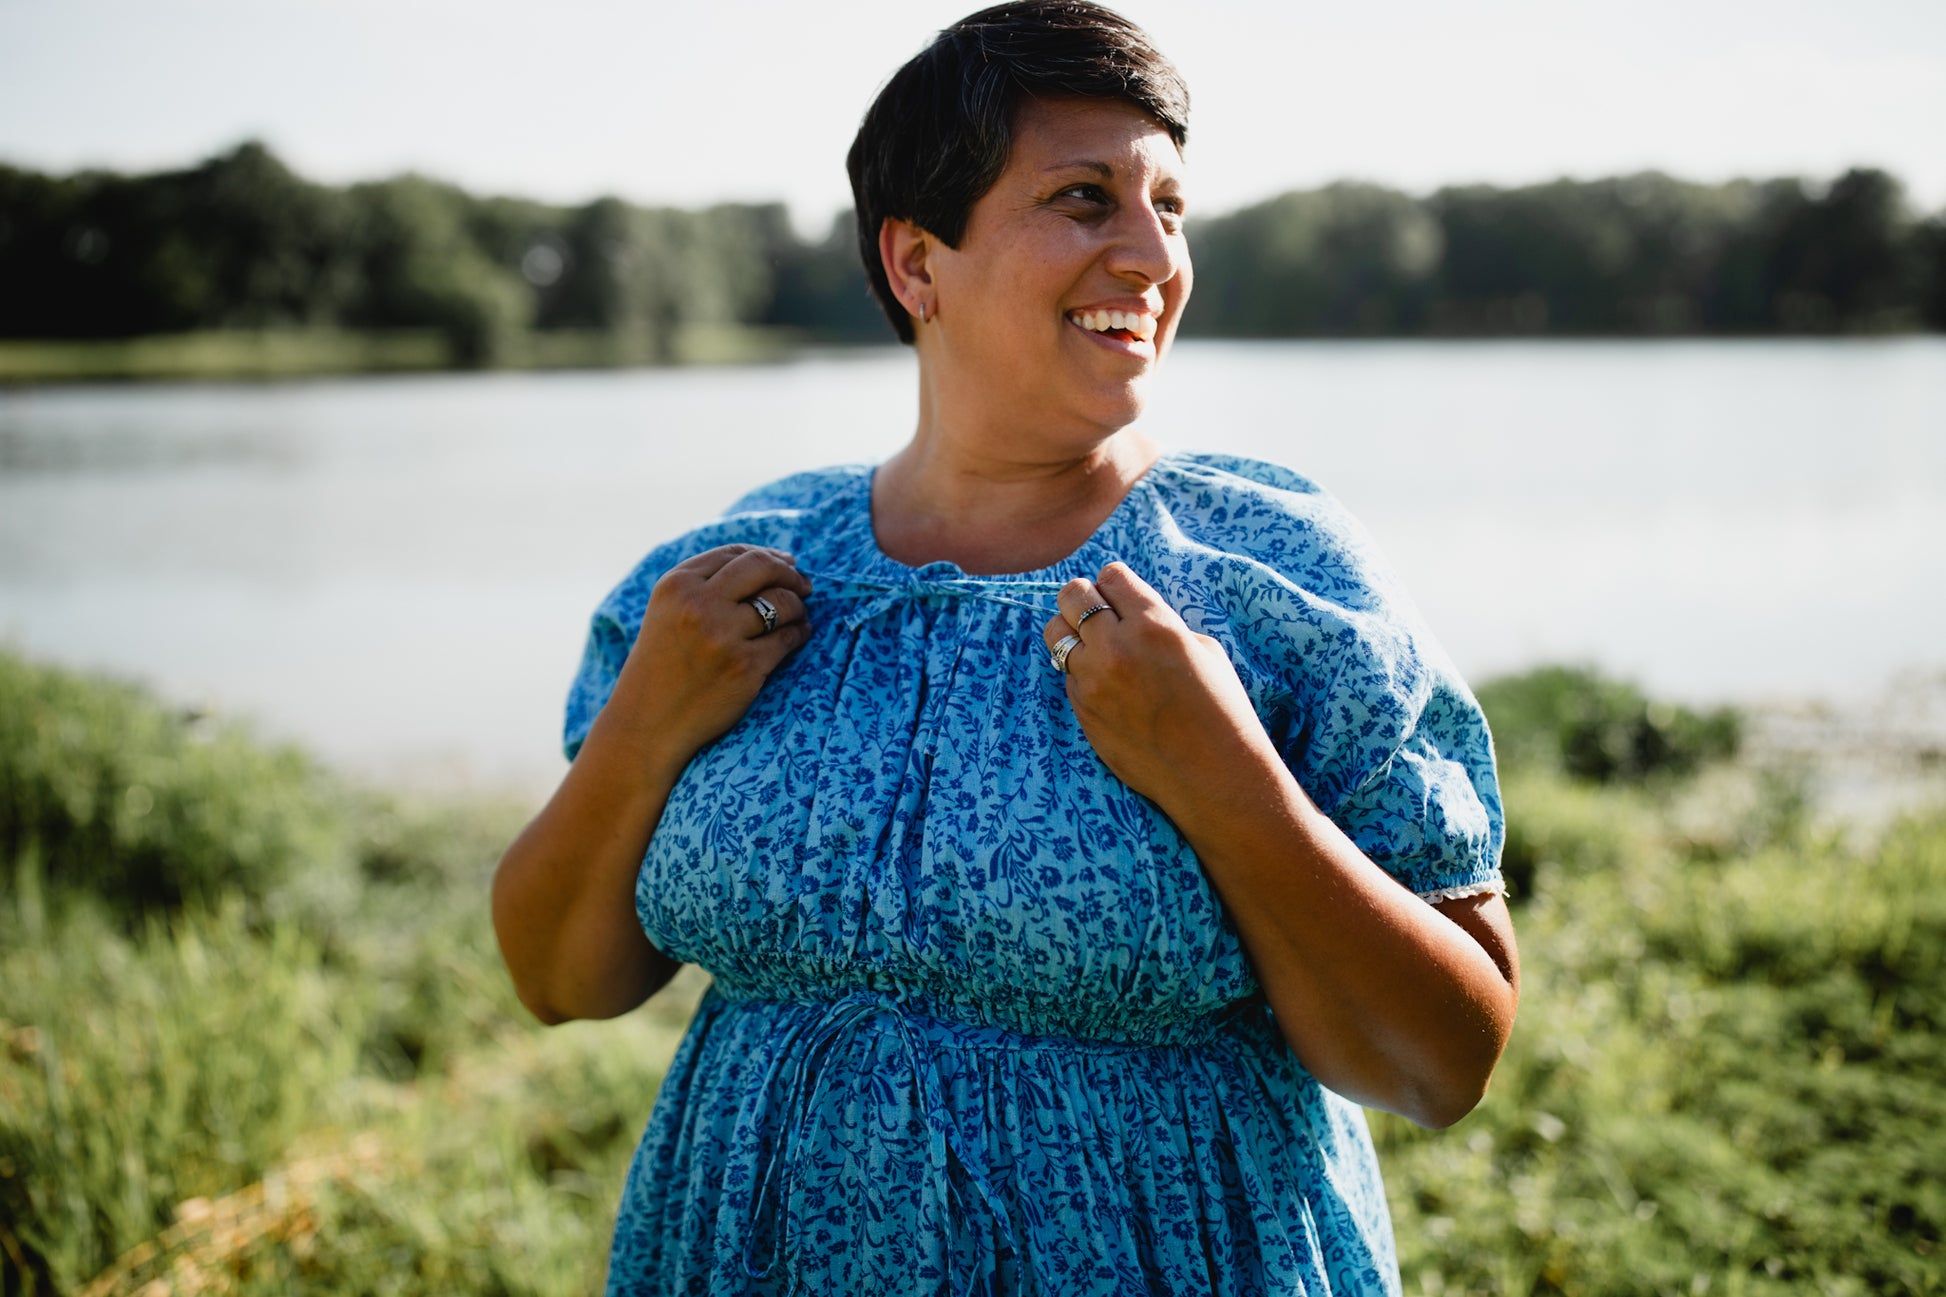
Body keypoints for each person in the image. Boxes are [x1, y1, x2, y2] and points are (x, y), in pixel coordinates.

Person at [490, 3, 1519, 1292]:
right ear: (918, 263)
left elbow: (1444, 1063)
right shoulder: (731, 583)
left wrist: (1226, 781)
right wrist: (646, 724)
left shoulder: (1277, 580)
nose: (1152, 255)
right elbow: (554, 979)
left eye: (1172, 206)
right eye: (1086, 199)